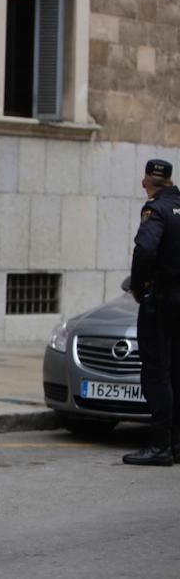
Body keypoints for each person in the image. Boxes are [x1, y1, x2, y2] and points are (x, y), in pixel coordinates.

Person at [124, 158, 180, 466]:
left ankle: (160, 446)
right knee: (177, 372)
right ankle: (177, 444)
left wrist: (138, 285)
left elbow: (145, 249)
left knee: (157, 372)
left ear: (146, 182)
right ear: (171, 181)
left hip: (161, 300)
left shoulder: (155, 209)